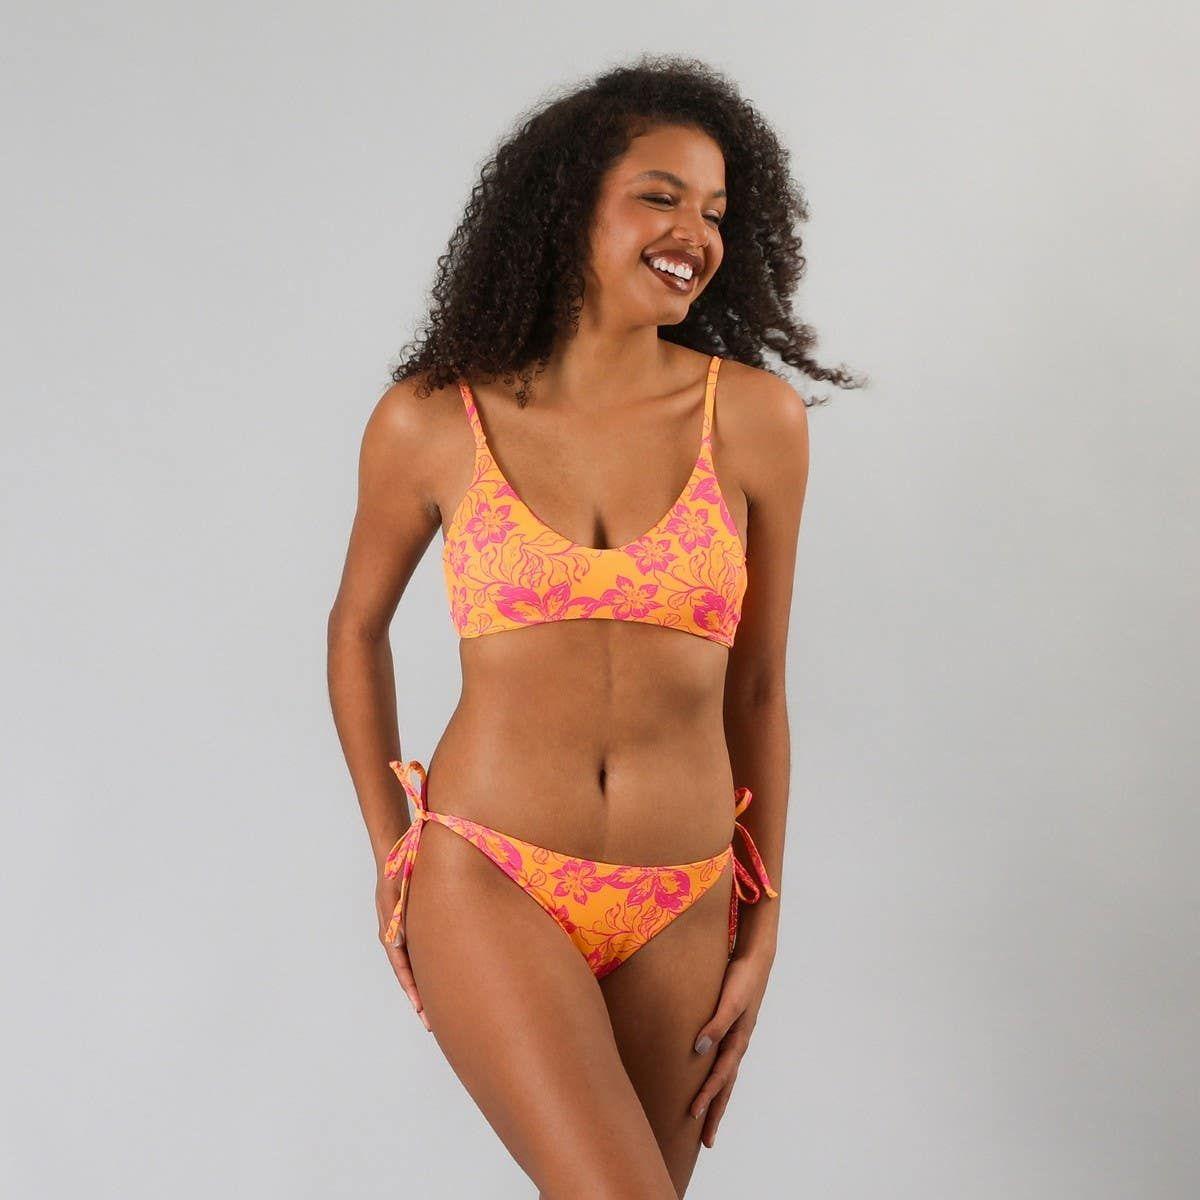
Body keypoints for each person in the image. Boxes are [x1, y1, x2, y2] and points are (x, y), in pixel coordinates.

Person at [327, 55, 864, 1198]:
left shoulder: (755, 419)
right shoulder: (433, 418)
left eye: (715, 211)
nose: (695, 233)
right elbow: (355, 631)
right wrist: (393, 853)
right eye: (660, 196)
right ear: (567, 206)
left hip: (686, 894)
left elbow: (758, 685)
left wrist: (763, 922)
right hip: (491, 874)